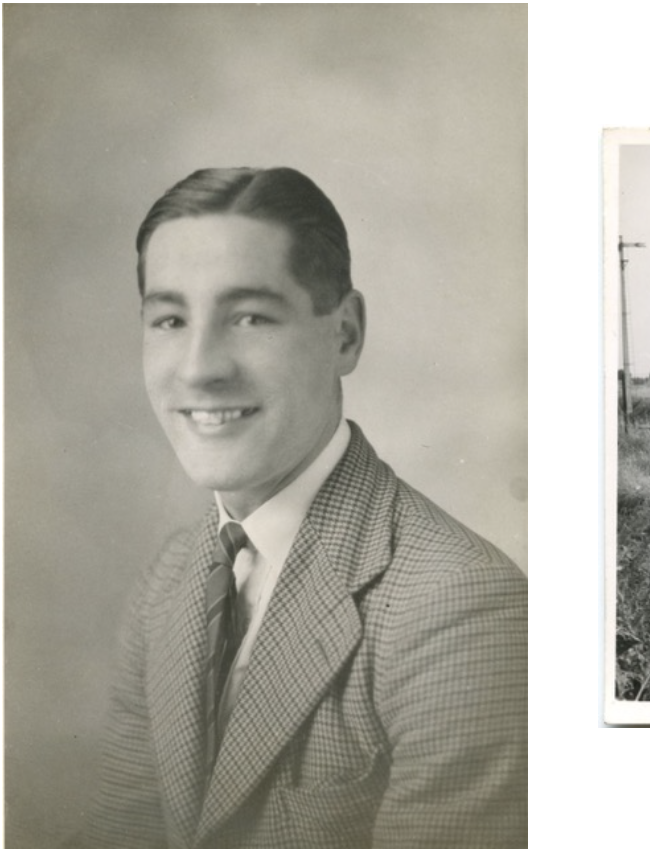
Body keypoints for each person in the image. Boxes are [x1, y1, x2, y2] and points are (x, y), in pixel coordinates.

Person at [82, 168, 526, 847]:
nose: (199, 368)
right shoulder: (169, 581)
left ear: (344, 334)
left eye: (250, 317)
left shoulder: (461, 606)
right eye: (170, 319)